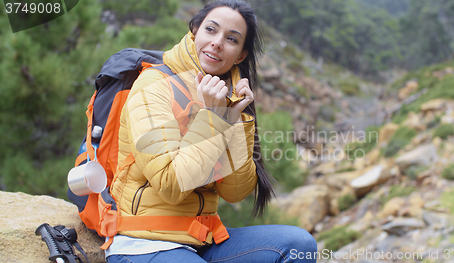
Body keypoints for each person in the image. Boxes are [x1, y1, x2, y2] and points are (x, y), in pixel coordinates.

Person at [106, 0, 317, 262]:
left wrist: (237, 118)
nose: (217, 42)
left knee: (299, 245)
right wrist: (214, 118)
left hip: (202, 239)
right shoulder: (154, 86)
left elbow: (235, 192)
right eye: (210, 30)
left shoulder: (227, 96)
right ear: (194, 31)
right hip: (146, 242)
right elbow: (170, 185)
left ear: (240, 55)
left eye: (231, 39)